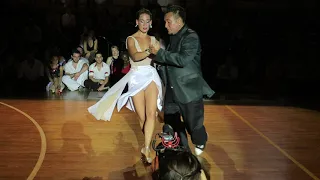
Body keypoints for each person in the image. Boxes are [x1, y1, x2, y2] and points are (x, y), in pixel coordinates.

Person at [88, 8, 163, 164]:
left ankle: (147, 148)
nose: (144, 24)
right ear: (137, 22)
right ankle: (147, 143)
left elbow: (161, 56)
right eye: (141, 21)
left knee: (151, 114)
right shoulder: (131, 39)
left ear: (150, 23)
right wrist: (151, 50)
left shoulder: (153, 39)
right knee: (142, 118)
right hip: (136, 77)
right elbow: (135, 56)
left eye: (147, 21)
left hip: (150, 74)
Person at [149, 5, 214, 156]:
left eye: (168, 22)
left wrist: (160, 54)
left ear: (179, 21)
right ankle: (183, 152)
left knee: (194, 126)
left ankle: (200, 140)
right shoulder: (173, 36)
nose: (165, 25)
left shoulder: (191, 37)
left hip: (188, 89)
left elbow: (183, 59)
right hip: (172, 89)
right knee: (172, 123)